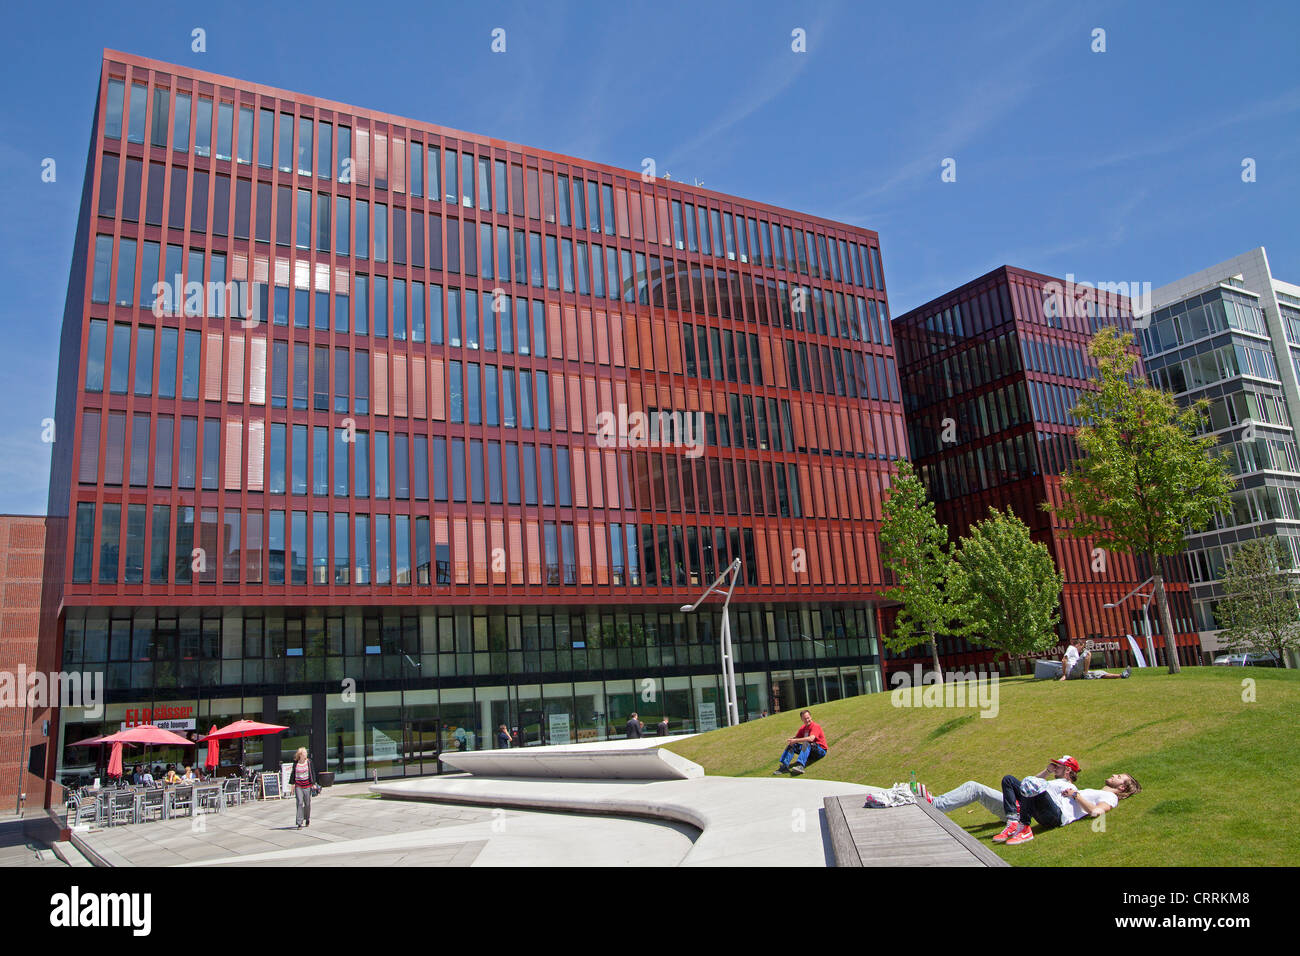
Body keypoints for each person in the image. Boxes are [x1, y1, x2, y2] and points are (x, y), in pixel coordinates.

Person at [993, 771, 1141, 845]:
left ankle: (1024, 828)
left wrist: (1076, 795)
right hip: (1049, 811)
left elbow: (1097, 811)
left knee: (1032, 783)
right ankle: (1013, 822)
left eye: (1119, 777)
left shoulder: (1111, 797)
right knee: (1009, 780)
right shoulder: (1098, 792)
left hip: (1057, 816)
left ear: (1122, 787)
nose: (1114, 775)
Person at [930, 756, 1080, 819]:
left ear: (1068, 770)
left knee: (974, 788)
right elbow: (1028, 786)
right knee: (973, 787)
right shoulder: (1056, 782)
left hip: (1019, 811)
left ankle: (936, 804)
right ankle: (937, 801)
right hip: (1014, 804)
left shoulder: (1066, 787)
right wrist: (1047, 771)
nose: (1056, 767)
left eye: (1059, 766)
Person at [772, 709, 828, 776]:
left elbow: (811, 738)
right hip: (810, 751)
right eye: (805, 719)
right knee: (793, 744)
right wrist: (792, 740)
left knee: (807, 743)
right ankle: (784, 766)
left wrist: (795, 740)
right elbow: (796, 738)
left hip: (820, 751)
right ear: (802, 719)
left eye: (808, 718)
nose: (807, 720)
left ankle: (800, 766)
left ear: (811, 717)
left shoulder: (815, 726)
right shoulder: (802, 728)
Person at [1059, 637, 1131, 681]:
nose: (1081, 650)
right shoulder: (1071, 648)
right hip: (1072, 672)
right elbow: (1064, 660)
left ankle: (1121, 675)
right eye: (1082, 647)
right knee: (1087, 653)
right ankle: (1086, 674)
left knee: (1100, 673)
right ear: (1078, 645)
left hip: (1077, 673)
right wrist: (1064, 675)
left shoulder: (1075, 653)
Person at [291, 747, 317, 829]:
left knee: (307, 803)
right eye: (304, 753)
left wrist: (313, 783)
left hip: (307, 785)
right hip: (298, 785)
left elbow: (312, 772)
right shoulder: (296, 763)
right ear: (300, 755)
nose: (306, 754)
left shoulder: (309, 762)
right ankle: (299, 822)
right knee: (299, 802)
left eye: (306, 753)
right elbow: (293, 774)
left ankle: (307, 818)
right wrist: (292, 785)